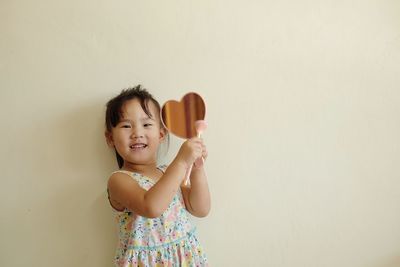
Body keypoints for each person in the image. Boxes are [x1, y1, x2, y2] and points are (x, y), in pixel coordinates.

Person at [104, 85, 210, 266]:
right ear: (110, 138)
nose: (137, 133)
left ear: (161, 133)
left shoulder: (168, 173)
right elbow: (151, 206)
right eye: (126, 126)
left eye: (146, 124)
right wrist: (182, 162)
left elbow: (200, 208)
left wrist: (196, 167)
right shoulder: (119, 180)